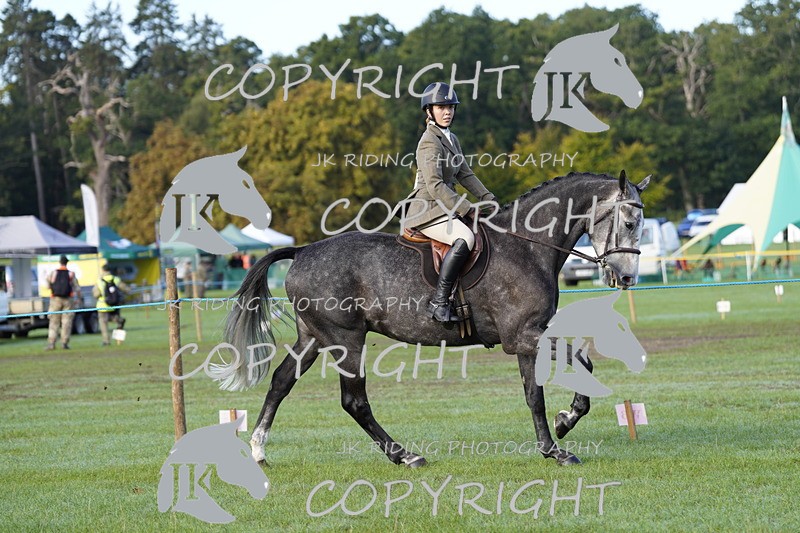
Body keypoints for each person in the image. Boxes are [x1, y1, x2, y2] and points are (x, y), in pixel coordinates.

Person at [400, 82, 497, 322]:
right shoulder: (429, 142)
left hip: (443, 206)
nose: (447, 112)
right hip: (427, 209)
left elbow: (465, 174)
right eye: (441, 107)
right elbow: (434, 185)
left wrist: (489, 199)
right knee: (465, 238)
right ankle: (439, 302)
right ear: (429, 111)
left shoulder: (451, 138)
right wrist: (466, 208)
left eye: (450, 107)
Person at [46, 255, 81, 350]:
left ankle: (51, 343)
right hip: (68, 300)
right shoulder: (71, 274)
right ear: (67, 263)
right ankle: (64, 343)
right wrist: (79, 298)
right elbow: (76, 287)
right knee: (66, 322)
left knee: (54, 322)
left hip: (55, 299)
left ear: (59, 262)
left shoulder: (53, 273)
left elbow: (47, 285)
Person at [93, 264, 128, 346]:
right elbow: (126, 289)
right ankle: (118, 340)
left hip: (102, 306)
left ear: (103, 270)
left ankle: (106, 341)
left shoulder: (99, 281)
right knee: (118, 320)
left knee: (104, 325)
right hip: (114, 306)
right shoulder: (116, 279)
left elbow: (95, 294)